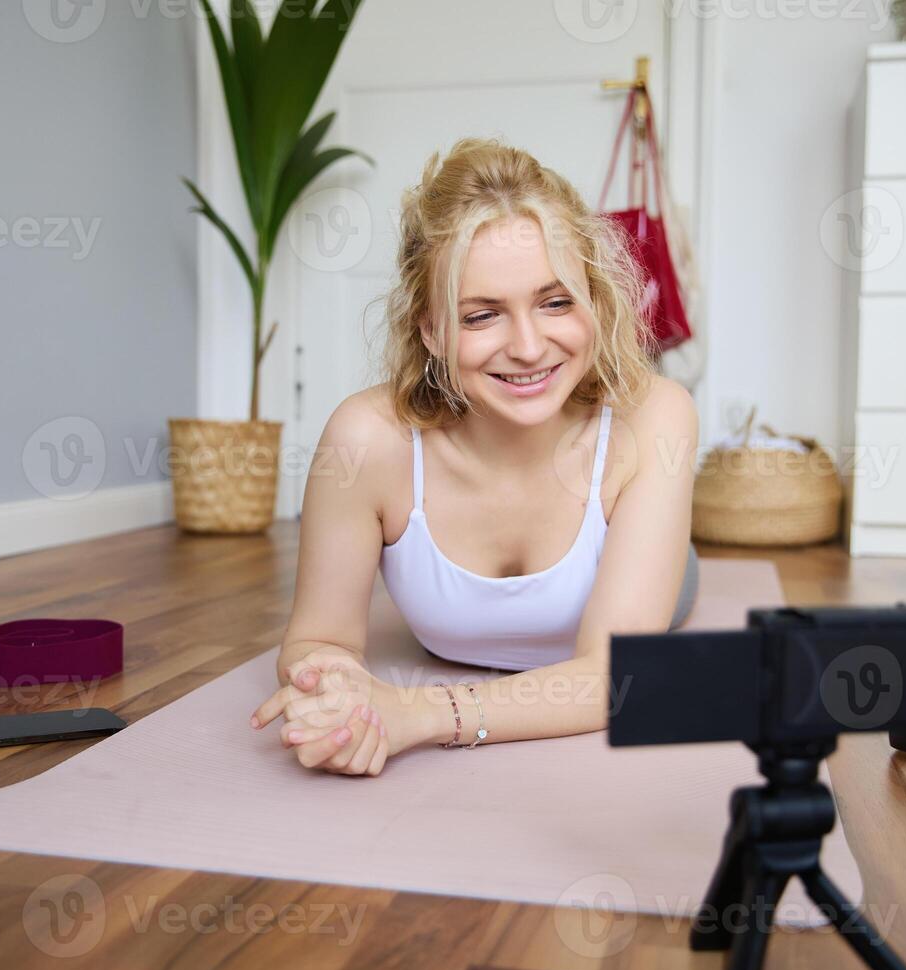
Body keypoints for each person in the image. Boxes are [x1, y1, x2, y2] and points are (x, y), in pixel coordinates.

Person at [250, 136, 699, 776]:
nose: (527, 346)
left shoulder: (655, 416)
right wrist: (337, 692)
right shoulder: (364, 440)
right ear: (431, 329)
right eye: (483, 315)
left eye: (555, 302)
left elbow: (614, 678)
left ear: (595, 301)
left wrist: (418, 713)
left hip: (656, 566)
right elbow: (320, 639)